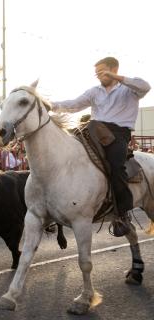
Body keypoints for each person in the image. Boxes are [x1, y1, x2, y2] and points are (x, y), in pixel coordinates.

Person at [51, 56, 151, 237]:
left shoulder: (129, 90)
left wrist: (119, 78)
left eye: (102, 71)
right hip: (93, 129)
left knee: (116, 167)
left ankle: (122, 214)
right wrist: (50, 105)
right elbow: (74, 105)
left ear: (114, 69)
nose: (98, 76)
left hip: (118, 134)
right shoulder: (94, 91)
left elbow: (145, 86)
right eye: (96, 73)